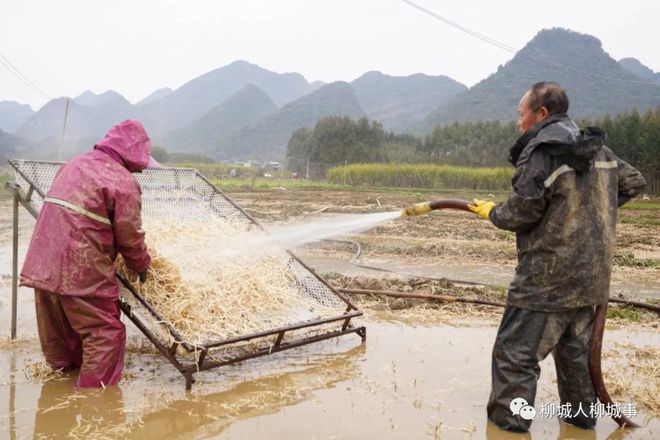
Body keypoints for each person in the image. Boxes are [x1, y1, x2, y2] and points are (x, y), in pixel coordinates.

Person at [468, 82, 646, 432]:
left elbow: (521, 213)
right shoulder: (598, 150)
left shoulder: (543, 152)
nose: (519, 123)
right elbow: (633, 182)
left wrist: (492, 212)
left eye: (522, 115)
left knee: (515, 359)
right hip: (590, 279)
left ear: (541, 114)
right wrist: (587, 213)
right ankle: (581, 429)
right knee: (575, 360)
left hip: (545, 281)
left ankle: (508, 429)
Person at [21, 119, 154, 388]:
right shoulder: (122, 181)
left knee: (58, 334)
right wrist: (141, 264)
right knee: (104, 333)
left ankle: (58, 400)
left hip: (41, 264)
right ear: (135, 155)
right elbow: (130, 236)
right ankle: (94, 403)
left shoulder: (74, 164)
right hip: (81, 270)